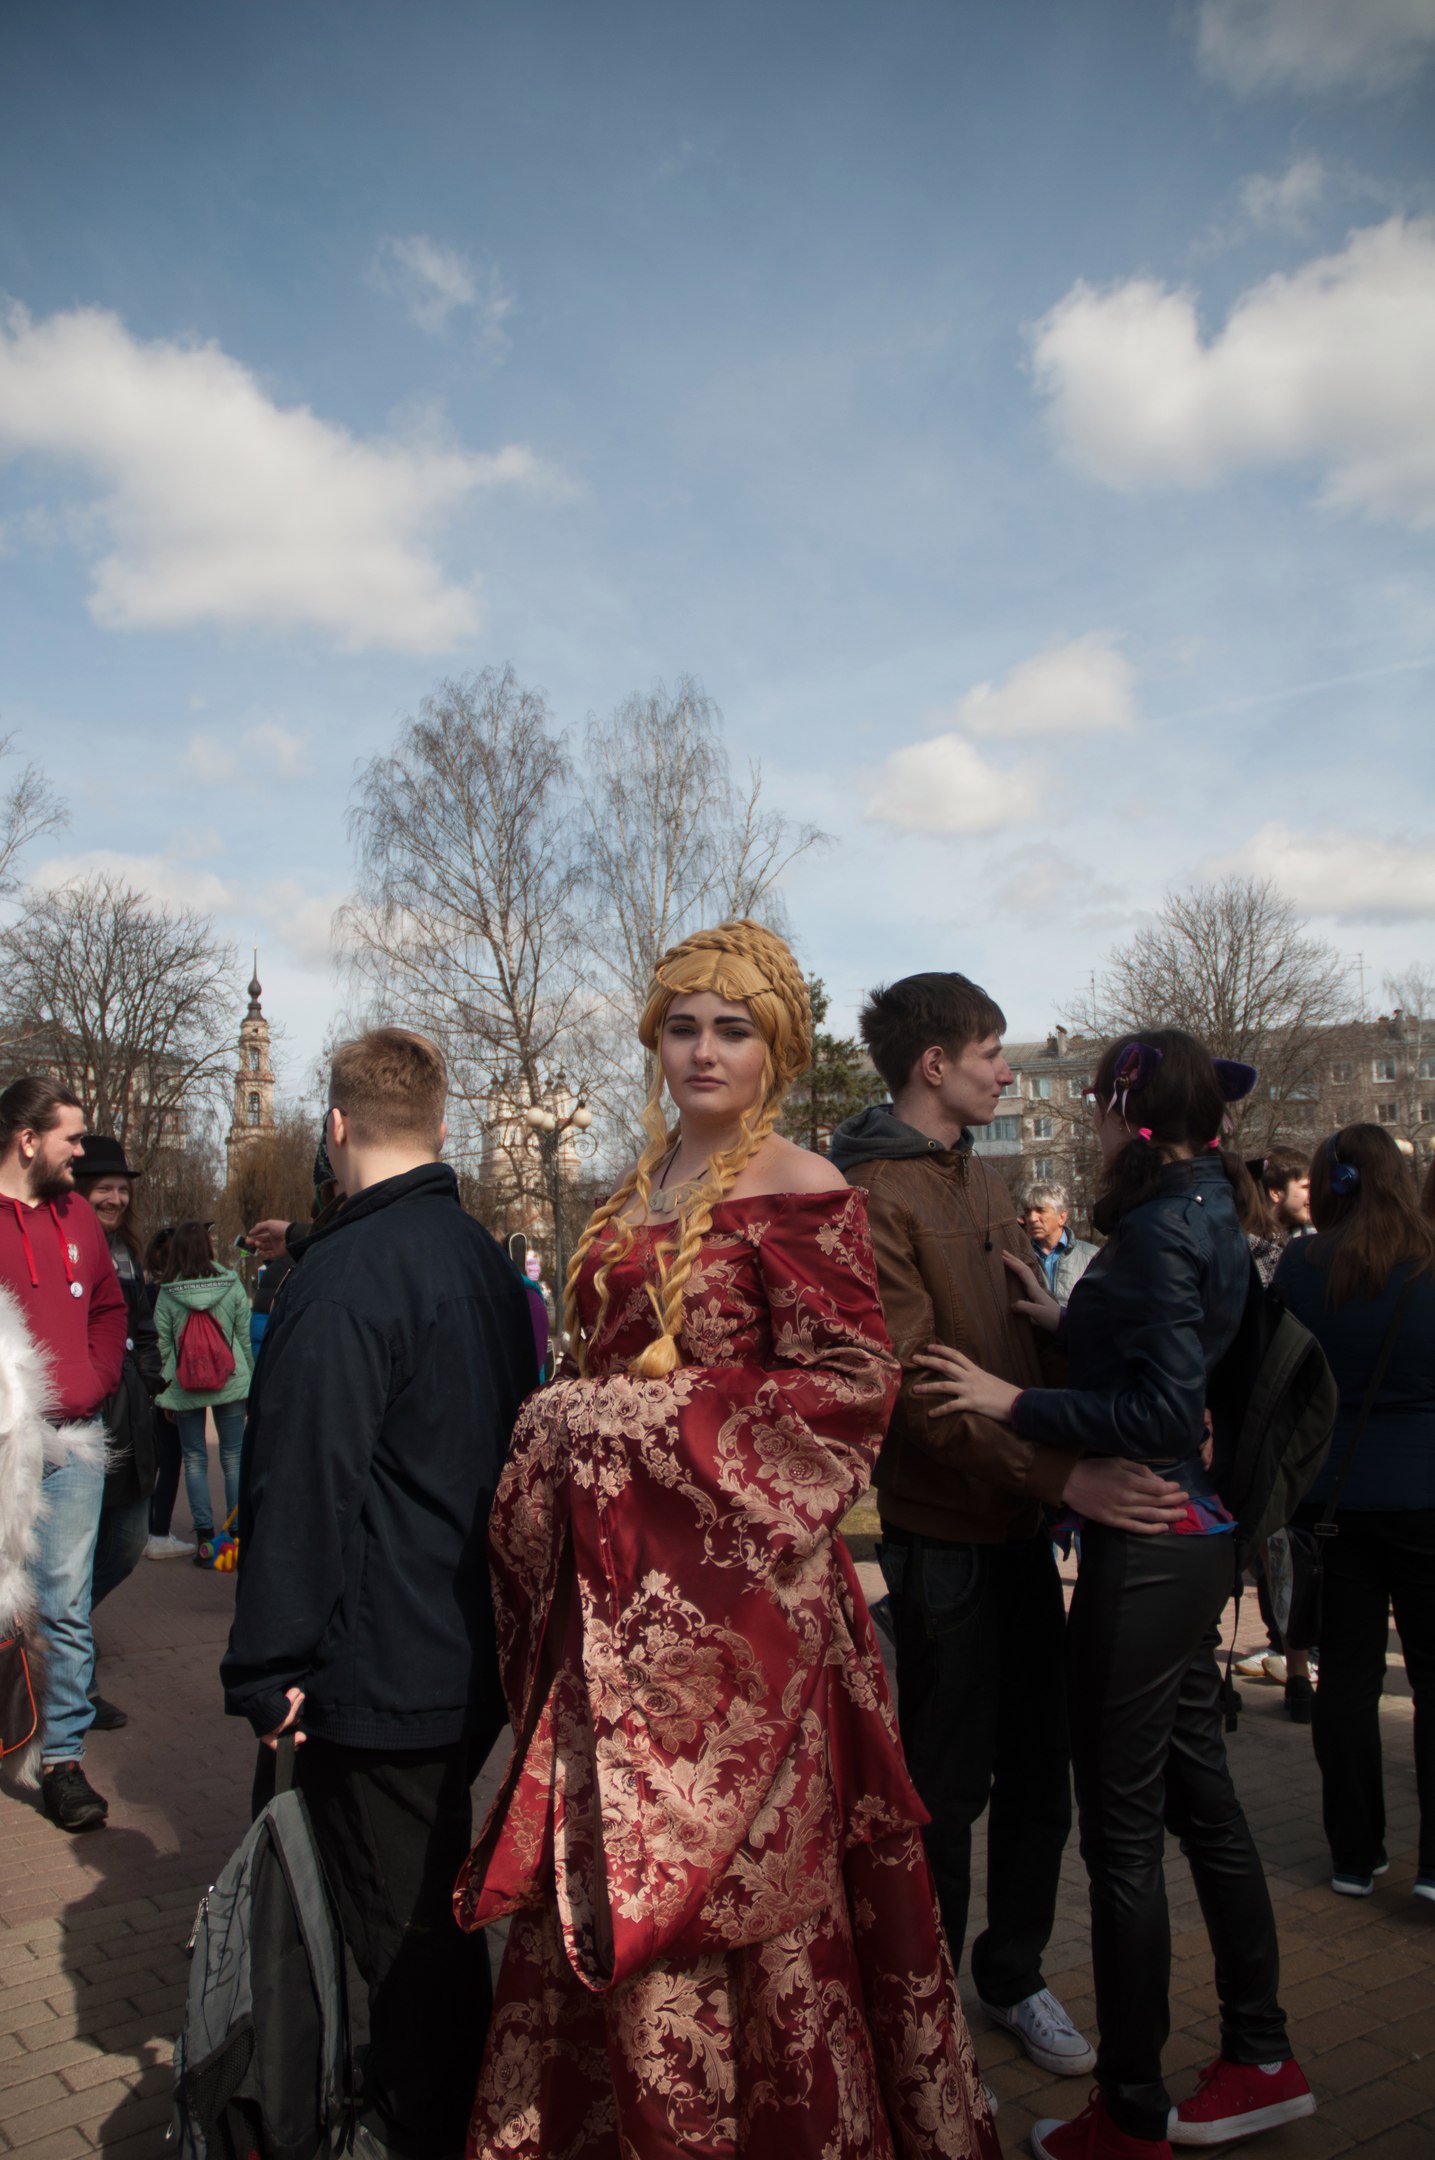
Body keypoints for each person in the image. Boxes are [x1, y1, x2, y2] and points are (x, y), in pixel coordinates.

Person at [456, 923, 1000, 2160]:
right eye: (682, 1026)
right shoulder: (626, 1192)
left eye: (733, 1030)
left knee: (739, 1902)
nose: (702, 1051)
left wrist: (631, 1416)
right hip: (616, 1620)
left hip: (751, 1634)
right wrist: (567, 1423)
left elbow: (854, 1389)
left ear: (777, 1054)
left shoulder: (803, 1188)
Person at [916, 1031, 1313, 2157]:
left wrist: (1007, 1398)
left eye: (1093, 1106)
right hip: (1194, 1539)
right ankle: (1261, 2051)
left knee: (1125, 1840)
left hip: (1147, 1541)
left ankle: (1130, 2111)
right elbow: (1170, 1353)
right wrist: (1061, 1320)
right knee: (1206, 1804)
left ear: (1114, 1116)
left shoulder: (1150, 1232)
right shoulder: (1205, 1210)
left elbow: (1152, 1413)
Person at [222, 1028, 537, 2160]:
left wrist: (269, 1665)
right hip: (459, 1644)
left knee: (407, 1935)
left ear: (336, 1126)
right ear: (441, 1128)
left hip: (383, 1660)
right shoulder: (478, 1260)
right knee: (423, 1905)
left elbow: (303, 1481)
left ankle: (440, 2119)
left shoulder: (347, 1277)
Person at [828, 974, 1103, 2082]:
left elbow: (1018, 1349)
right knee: (945, 1785)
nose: (1004, 1068)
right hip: (945, 1535)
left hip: (1024, 1522)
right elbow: (914, 1389)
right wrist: (1065, 1478)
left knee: (1044, 1772)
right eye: (990, 1051)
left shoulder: (988, 1179)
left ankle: (1013, 1972)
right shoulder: (868, 1193)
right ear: (932, 1064)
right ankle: (922, 1999)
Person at [1273, 1124, 1435, 1905]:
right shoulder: (1429, 1260)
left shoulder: (1301, 1270)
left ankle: (1353, 1852)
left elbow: (1274, 1379)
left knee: (1345, 1678)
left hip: (1331, 1496)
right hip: (1425, 1494)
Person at [0, 1077, 127, 1833]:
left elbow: (108, 1305)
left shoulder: (77, 1213)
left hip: (72, 1446)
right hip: (3, 1445)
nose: (81, 1153)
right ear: (26, 1140)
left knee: (66, 1606)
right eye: (71, 1139)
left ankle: (62, 1760)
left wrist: (97, 1376)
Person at [71, 1134, 165, 1724]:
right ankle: (73, 1682)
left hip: (130, 1418)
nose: (113, 1198)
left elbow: (145, 1327)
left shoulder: (128, 1252)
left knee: (128, 1541)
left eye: (121, 1189)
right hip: (81, 1419)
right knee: (71, 1557)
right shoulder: (66, 1247)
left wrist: (151, 1383)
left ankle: (65, 1627)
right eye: (103, 1187)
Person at [154, 1222, 254, 1559]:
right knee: (233, 1457)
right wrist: (249, 1379)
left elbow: (163, 1347)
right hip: (231, 1380)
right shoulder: (232, 1284)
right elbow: (243, 1336)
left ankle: (203, 1537)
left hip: (186, 1383)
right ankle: (237, 1532)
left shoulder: (168, 1293)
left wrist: (166, 1391)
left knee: (194, 1460)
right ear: (208, 1249)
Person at [1023, 1179, 1098, 1299]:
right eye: (1027, 1212)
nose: (1032, 1218)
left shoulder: (1092, 1257)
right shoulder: (1020, 1257)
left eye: (1040, 1210)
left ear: (1062, 1217)